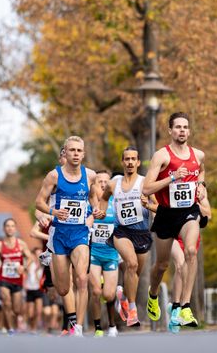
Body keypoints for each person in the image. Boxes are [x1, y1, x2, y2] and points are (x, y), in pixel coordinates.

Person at [143, 112, 207, 327]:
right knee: (162, 265)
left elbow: (201, 174)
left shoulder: (198, 155)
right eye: (178, 127)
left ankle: (185, 307)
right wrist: (172, 177)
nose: (182, 130)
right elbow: (146, 188)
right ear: (170, 130)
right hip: (165, 213)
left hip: (188, 212)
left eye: (185, 127)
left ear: (189, 131)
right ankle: (153, 296)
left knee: (191, 251)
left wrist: (201, 188)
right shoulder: (162, 156)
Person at [35, 136, 101, 337]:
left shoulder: (90, 175)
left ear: (84, 153)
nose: (75, 154)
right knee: (63, 289)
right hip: (60, 235)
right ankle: (54, 263)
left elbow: (94, 199)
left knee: (82, 279)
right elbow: (38, 202)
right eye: (71, 150)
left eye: (79, 151)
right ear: (65, 151)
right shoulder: (53, 176)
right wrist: (53, 213)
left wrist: (97, 211)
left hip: (80, 233)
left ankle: (78, 327)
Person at [100, 146, 156, 327]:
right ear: (123, 162)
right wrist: (101, 211)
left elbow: (157, 207)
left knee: (135, 274)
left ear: (138, 162)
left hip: (141, 233)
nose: (130, 162)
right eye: (127, 159)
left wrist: (148, 205)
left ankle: (123, 297)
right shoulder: (113, 183)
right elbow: (103, 197)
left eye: (133, 159)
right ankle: (132, 310)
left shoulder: (145, 182)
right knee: (131, 264)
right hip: (121, 232)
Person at [168, 196, 211, 333]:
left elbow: (208, 215)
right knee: (180, 265)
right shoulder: (168, 181)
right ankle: (176, 308)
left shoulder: (198, 188)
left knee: (184, 267)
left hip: (190, 234)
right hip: (172, 233)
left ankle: (179, 307)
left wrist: (197, 205)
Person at [0, 217, 34, 335]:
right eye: (8, 226)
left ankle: (7, 323)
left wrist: (25, 267)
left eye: (12, 226)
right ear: (4, 228)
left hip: (17, 280)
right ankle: (10, 329)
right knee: (6, 302)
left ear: (15, 229)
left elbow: (31, 258)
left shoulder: (21, 244)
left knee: (16, 310)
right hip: (3, 279)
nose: (10, 228)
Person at [89, 170, 119, 337]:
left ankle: (113, 325)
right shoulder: (89, 203)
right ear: (94, 185)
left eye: (105, 181)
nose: (102, 183)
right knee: (95, 292)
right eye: (98, 181)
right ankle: (98, 327)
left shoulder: (115, 202)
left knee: (108, 294)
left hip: (111, 254)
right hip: (93, 252)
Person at [25, 247, 45, 332]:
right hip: (30, 288)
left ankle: (35, 328)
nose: (38, 256)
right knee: (30, 313)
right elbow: (25, 270)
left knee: (39, 311)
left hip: (39, 289)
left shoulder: (43, 265)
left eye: (40, 254)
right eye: (36, 254)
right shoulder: (31, 264)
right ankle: (31, 325)